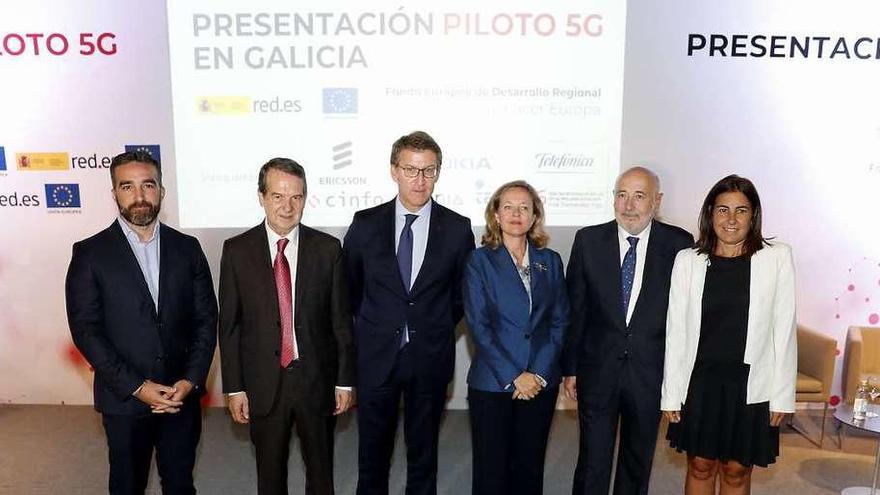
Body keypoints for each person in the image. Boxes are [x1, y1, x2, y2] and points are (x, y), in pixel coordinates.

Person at [65, 150, 217, 495]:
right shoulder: (90, 253)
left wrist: (191, 380)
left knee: (180, 484)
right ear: (115, 193)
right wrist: (138, 387)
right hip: (125, 400)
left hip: (180, 396)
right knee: (127, 485)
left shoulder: (188, 248)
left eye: (148, 185)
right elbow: (86, 331)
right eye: (127, 186)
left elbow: (206, 319)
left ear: (161, 191)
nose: (139, 196)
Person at [343, 131, 475, 495]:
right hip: (375, 356)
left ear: (438, 173)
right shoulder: (365, 223)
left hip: (429, 356)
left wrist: (428, 326)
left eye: (428, 170)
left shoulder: (458, 228)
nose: (420, 180)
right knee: (372, 454)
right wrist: (380, 325)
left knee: (423, 453)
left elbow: (461, 296)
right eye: (411, 169)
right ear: (393, 171)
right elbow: (351, 288)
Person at [217, 158, 355, 495]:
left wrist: (344, 381)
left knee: (321, 474)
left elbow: (341, 321)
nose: (287, 205)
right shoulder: (236, 251)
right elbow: (230, 325)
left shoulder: (328, 249)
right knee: (270, 475)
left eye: (296, 196)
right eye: (278, 196)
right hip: (263, 384)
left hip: (316, 382)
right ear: (261, 197)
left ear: (306, 199)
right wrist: (235, 387)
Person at [661, 174, 796, 494]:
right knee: (700, 465)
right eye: (722, 209)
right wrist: (670, 392)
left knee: (737, 470)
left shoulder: (777, 258)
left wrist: (782, 395)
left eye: (741, 210)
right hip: (700, 382)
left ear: (754, 215)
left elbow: (784, 330)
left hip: (751, 384)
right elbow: (676, 331)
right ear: (710, 213)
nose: (731, 219)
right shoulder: (687, 260)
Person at [563, 166, 694, 495]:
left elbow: (686, 316)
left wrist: (677, 378)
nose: (629, 204)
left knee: (637, 463)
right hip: (598, 370)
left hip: (649, 374)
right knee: (592, 462)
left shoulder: (680, 244)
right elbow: (575, 310)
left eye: (639, 196)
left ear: (656, 201)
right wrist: (570, 369)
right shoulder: (588, 240)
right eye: (622, 195)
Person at [463, 180, 569, 495]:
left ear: (535, 216)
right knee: (491, 472)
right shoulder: (479, 261)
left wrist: (536, 373)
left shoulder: (550, 261)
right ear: (495, 215)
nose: (516, 213)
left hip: (540, 382)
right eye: (507, 206)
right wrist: (515, 376)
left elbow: (560, 321)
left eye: (524, 207)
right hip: (494, 383)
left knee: (529, 468)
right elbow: (479, 326)